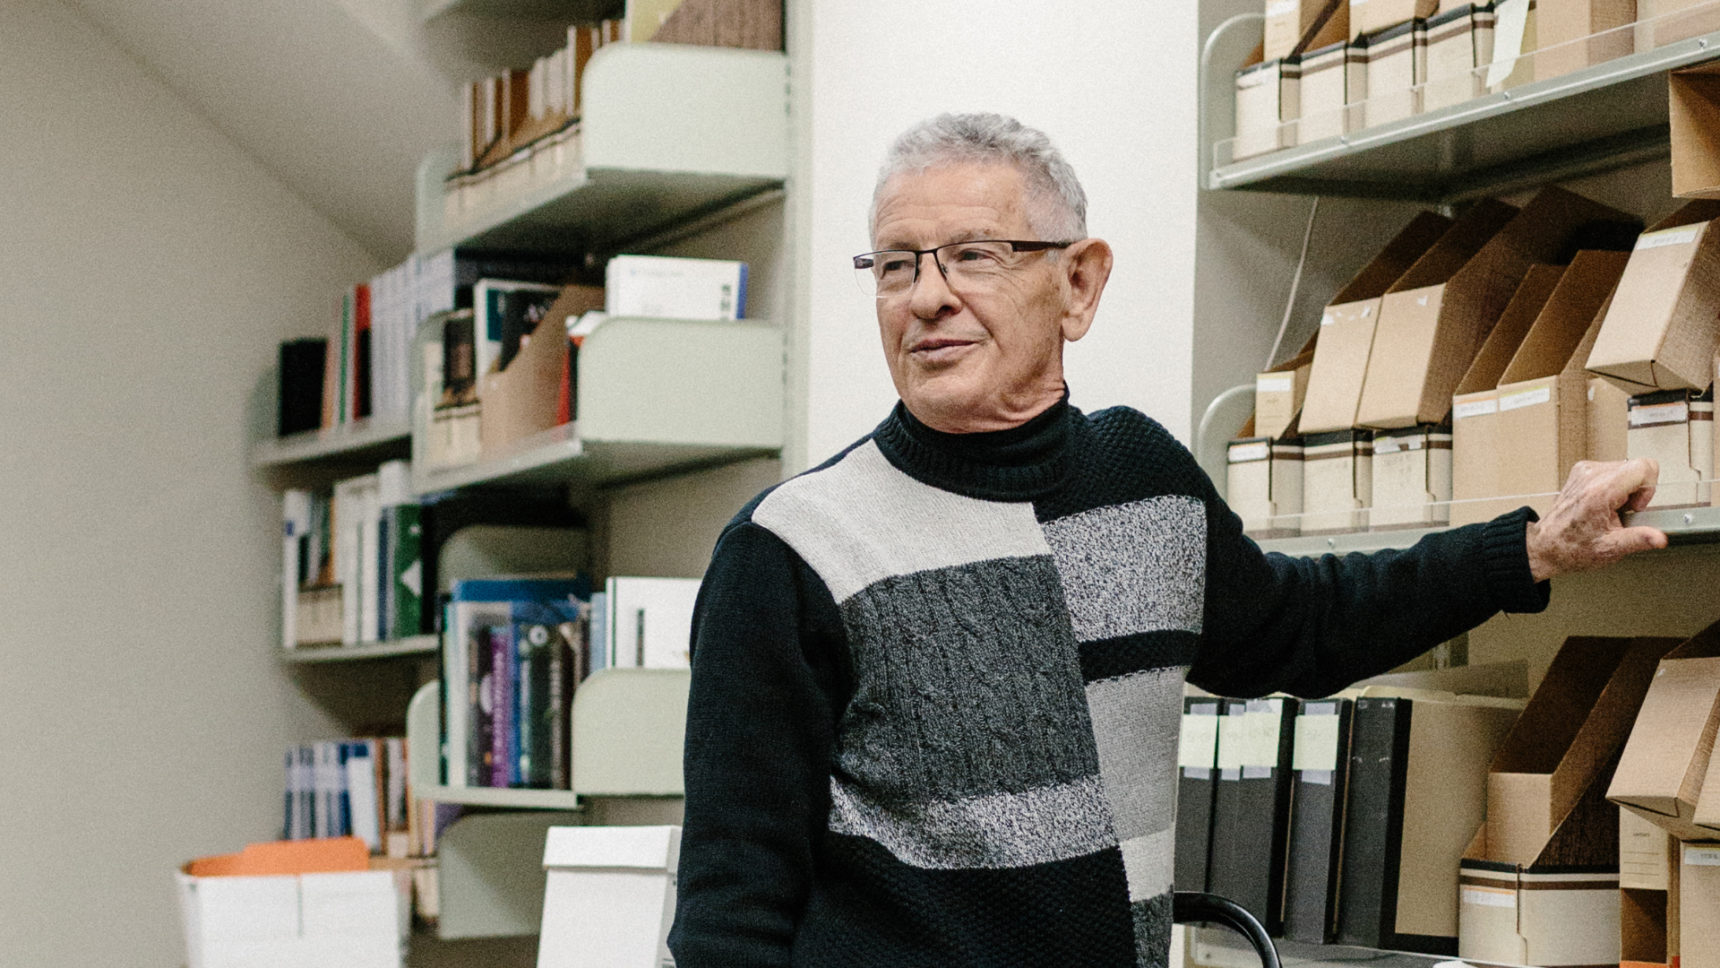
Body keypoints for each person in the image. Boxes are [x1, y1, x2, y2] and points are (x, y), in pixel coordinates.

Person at [666, 112, 1667, 968]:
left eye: (972, 254)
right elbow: (730, 912)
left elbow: (1302, 624)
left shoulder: (1140, 478)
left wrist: (1528, 547)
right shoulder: (790, 551)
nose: (925, 296)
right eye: (894, 265)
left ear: (1078, 284)